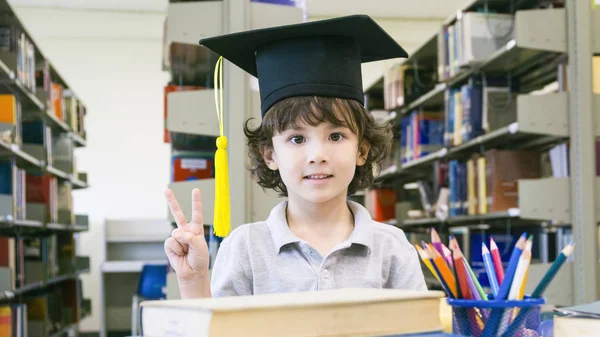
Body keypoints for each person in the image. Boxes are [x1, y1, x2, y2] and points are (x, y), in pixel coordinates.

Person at [163, 14, 427, 299]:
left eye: (335, 136)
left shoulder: (392, 248)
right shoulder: (245, 247)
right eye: (297, 138)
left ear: (361, 150)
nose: (317, 155)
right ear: (270, 155)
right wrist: (193, 282)